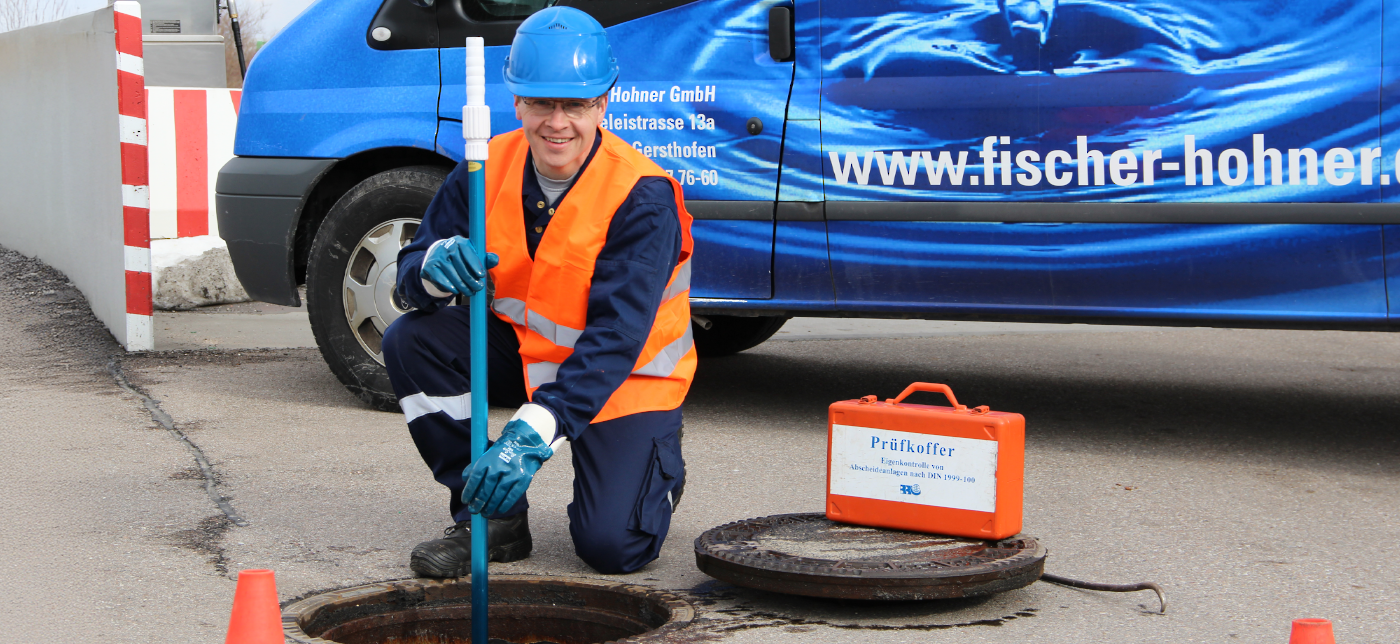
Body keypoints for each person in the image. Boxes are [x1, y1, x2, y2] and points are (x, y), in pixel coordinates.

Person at [381, 5, 695, 577]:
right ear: (517, 101)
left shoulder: (642, 195)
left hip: (623, 377)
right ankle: (492, 516)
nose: (558, 122)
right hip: (525, 354)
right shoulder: (484, 166)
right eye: (541, 103)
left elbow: (617, 337)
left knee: (612, 548)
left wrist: (534, 431)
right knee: (413, 339)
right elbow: (408, 273)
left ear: (603, 102)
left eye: (575, 105)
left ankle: (656, 469)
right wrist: (429, 268)